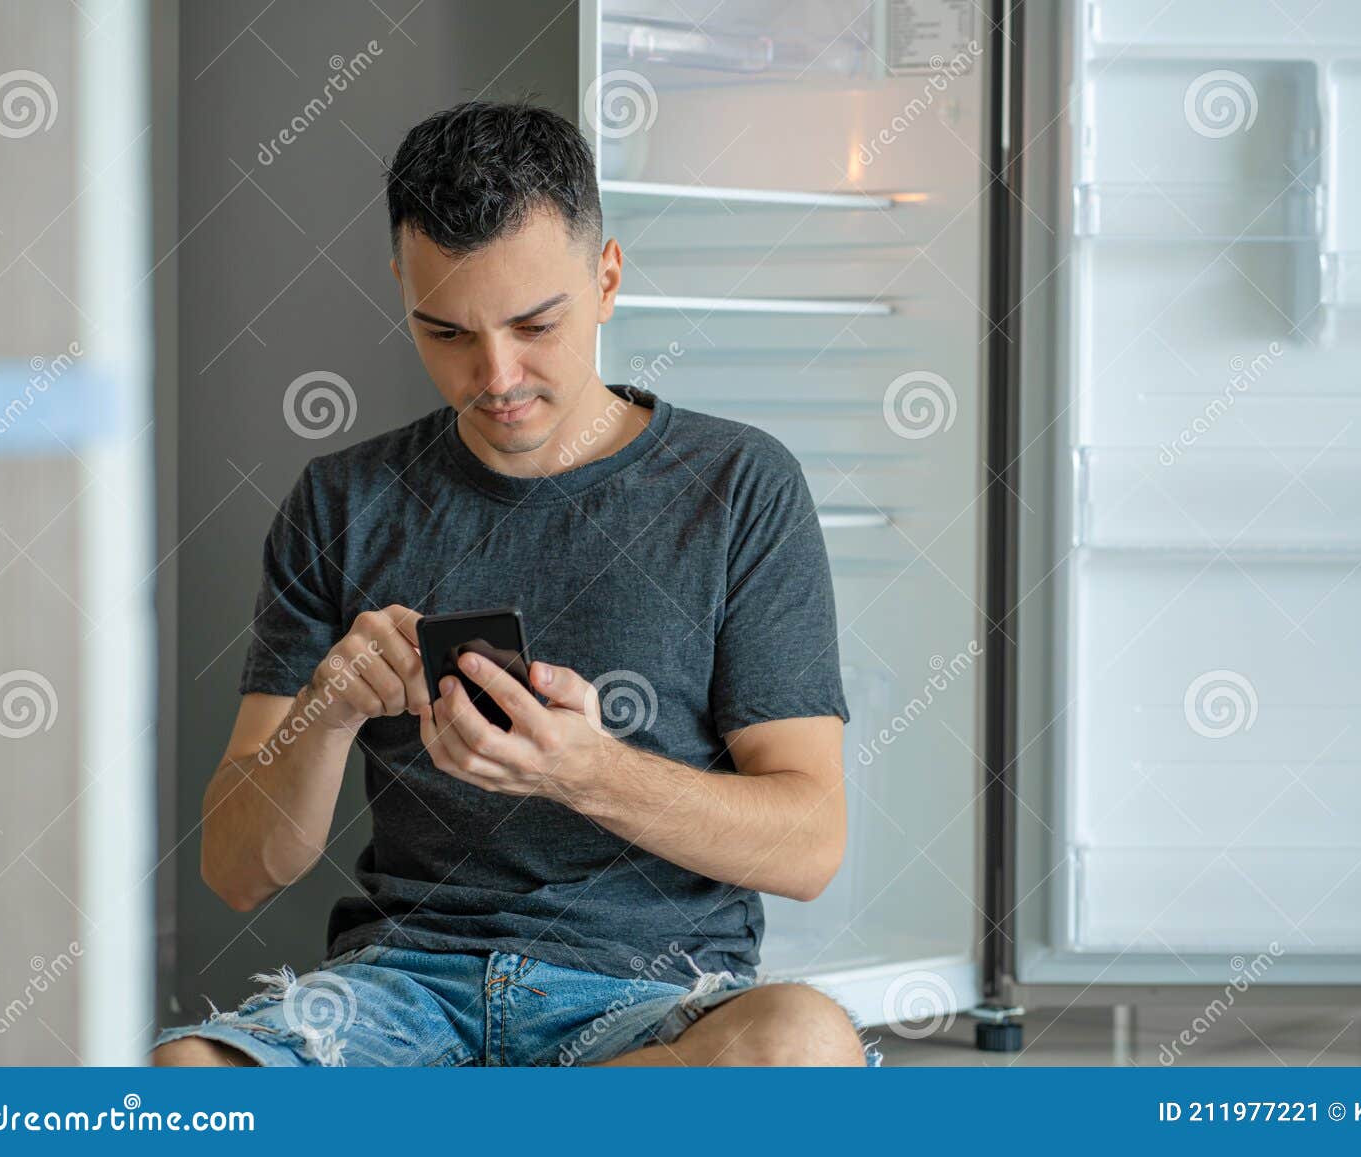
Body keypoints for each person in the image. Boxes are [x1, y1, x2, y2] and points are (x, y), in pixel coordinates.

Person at [149, 99, 877, 1068]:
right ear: (402, 293)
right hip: (401, 992)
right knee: (188, 1076)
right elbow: (238, 869)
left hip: (649, 1002)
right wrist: (323, 711)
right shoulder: (342, 500)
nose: (496, 376)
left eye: (535, 324)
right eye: (445, 332)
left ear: (607, 278)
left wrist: (583, 768)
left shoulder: (738, 485)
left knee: (802, 1045)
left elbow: (808, 842)